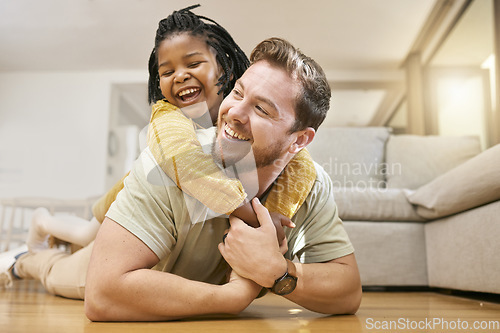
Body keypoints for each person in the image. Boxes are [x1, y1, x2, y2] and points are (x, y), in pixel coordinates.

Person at [0, 5, 315, 296]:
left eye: (193, 63)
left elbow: (297, 166)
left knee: (82, 243)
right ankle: (42, 222)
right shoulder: (166, 116)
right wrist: (260, 218)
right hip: (124, 198)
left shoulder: (238, 112)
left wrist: (279, 217)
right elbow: (192, 171)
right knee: (85, 235)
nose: (180, 75)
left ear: (225, 66)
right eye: (167, 72)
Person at [84, 37, 362, 322]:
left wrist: (277, 271)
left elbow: (348, 291)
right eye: (238, 93)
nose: (234, 113)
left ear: (299, 140)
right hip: (101, 261)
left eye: (261, 109)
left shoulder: (309, 184)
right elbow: (101, 294)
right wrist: (232, 297)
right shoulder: (171, 159)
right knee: (54, 269)